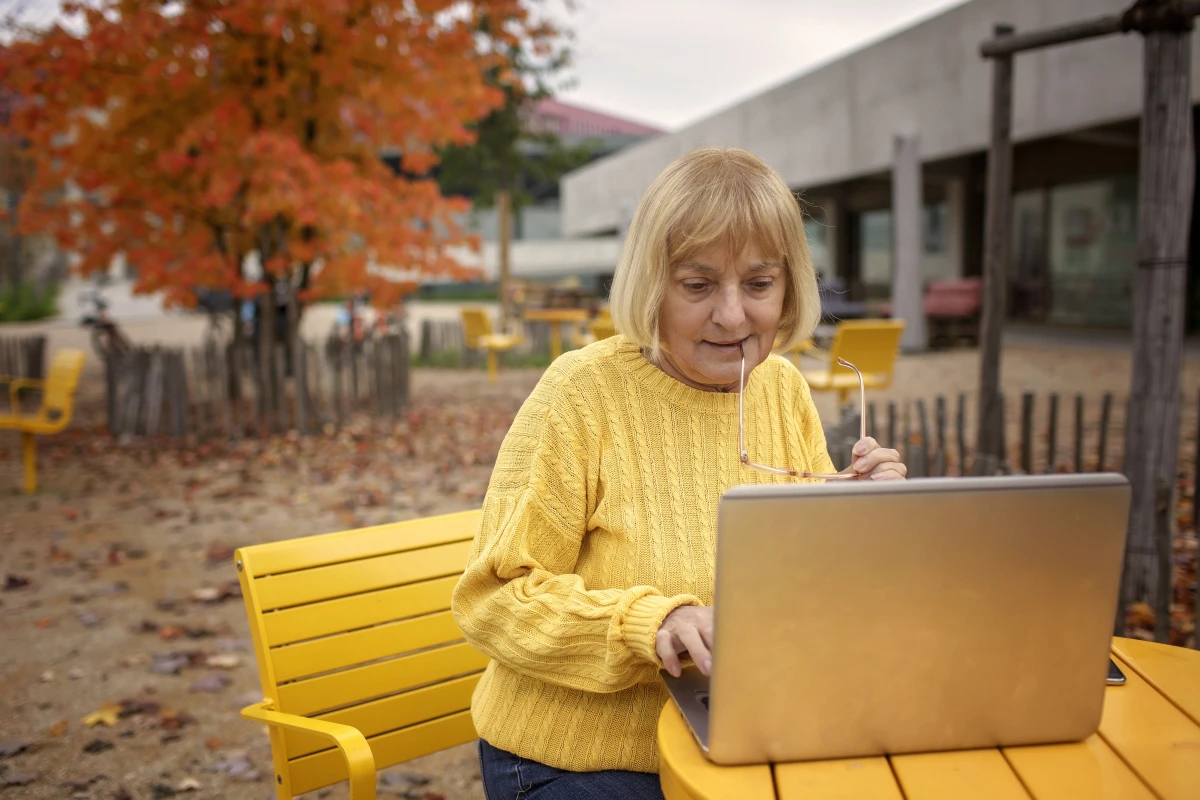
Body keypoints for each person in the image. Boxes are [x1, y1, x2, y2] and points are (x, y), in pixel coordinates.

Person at [451, 147, 907, 800]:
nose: (732, 316)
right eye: (698, 286)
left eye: (757, 284)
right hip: (580, 760)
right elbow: (491, 601)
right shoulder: (582, 394)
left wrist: (861, 521)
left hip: (748, 733)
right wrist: (653, 624)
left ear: (789, 286)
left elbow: (802, 596)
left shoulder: (780, 386)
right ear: (650, 285)